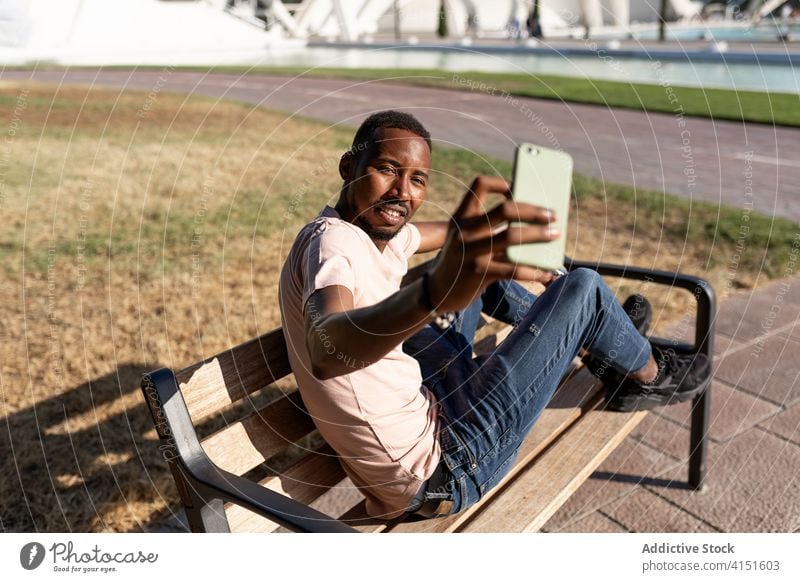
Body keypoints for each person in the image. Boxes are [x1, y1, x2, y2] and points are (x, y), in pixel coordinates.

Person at [278, 110, 710, 520]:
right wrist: (433, 294)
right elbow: (327, 347)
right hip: (445, 465)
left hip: (426, 402)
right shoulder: (334, 245)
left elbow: (459, 237)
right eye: (388, 169)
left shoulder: (370, 231)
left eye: (418, 179)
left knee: (485, 268)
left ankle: (593, 340)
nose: (403, 191)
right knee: (584, 288)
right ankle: (645, 376)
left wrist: (513, 231)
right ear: (348, 167)